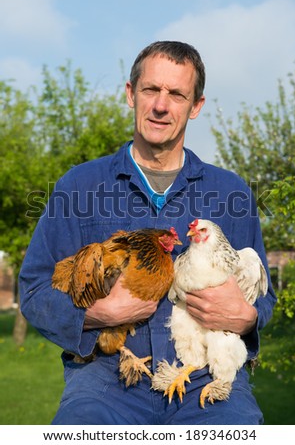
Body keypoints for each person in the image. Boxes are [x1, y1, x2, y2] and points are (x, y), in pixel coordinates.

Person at [19, 40, 277, 425]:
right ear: (130, 94)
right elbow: (34, 289)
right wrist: (94, 313)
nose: (161, 104)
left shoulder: (231, 193)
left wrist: (246, 317)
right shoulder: (80, 186)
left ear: (196, 106)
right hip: (106, 377)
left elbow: (264, 295)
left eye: (176, 94)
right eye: (151, 89)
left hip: (208, 373)